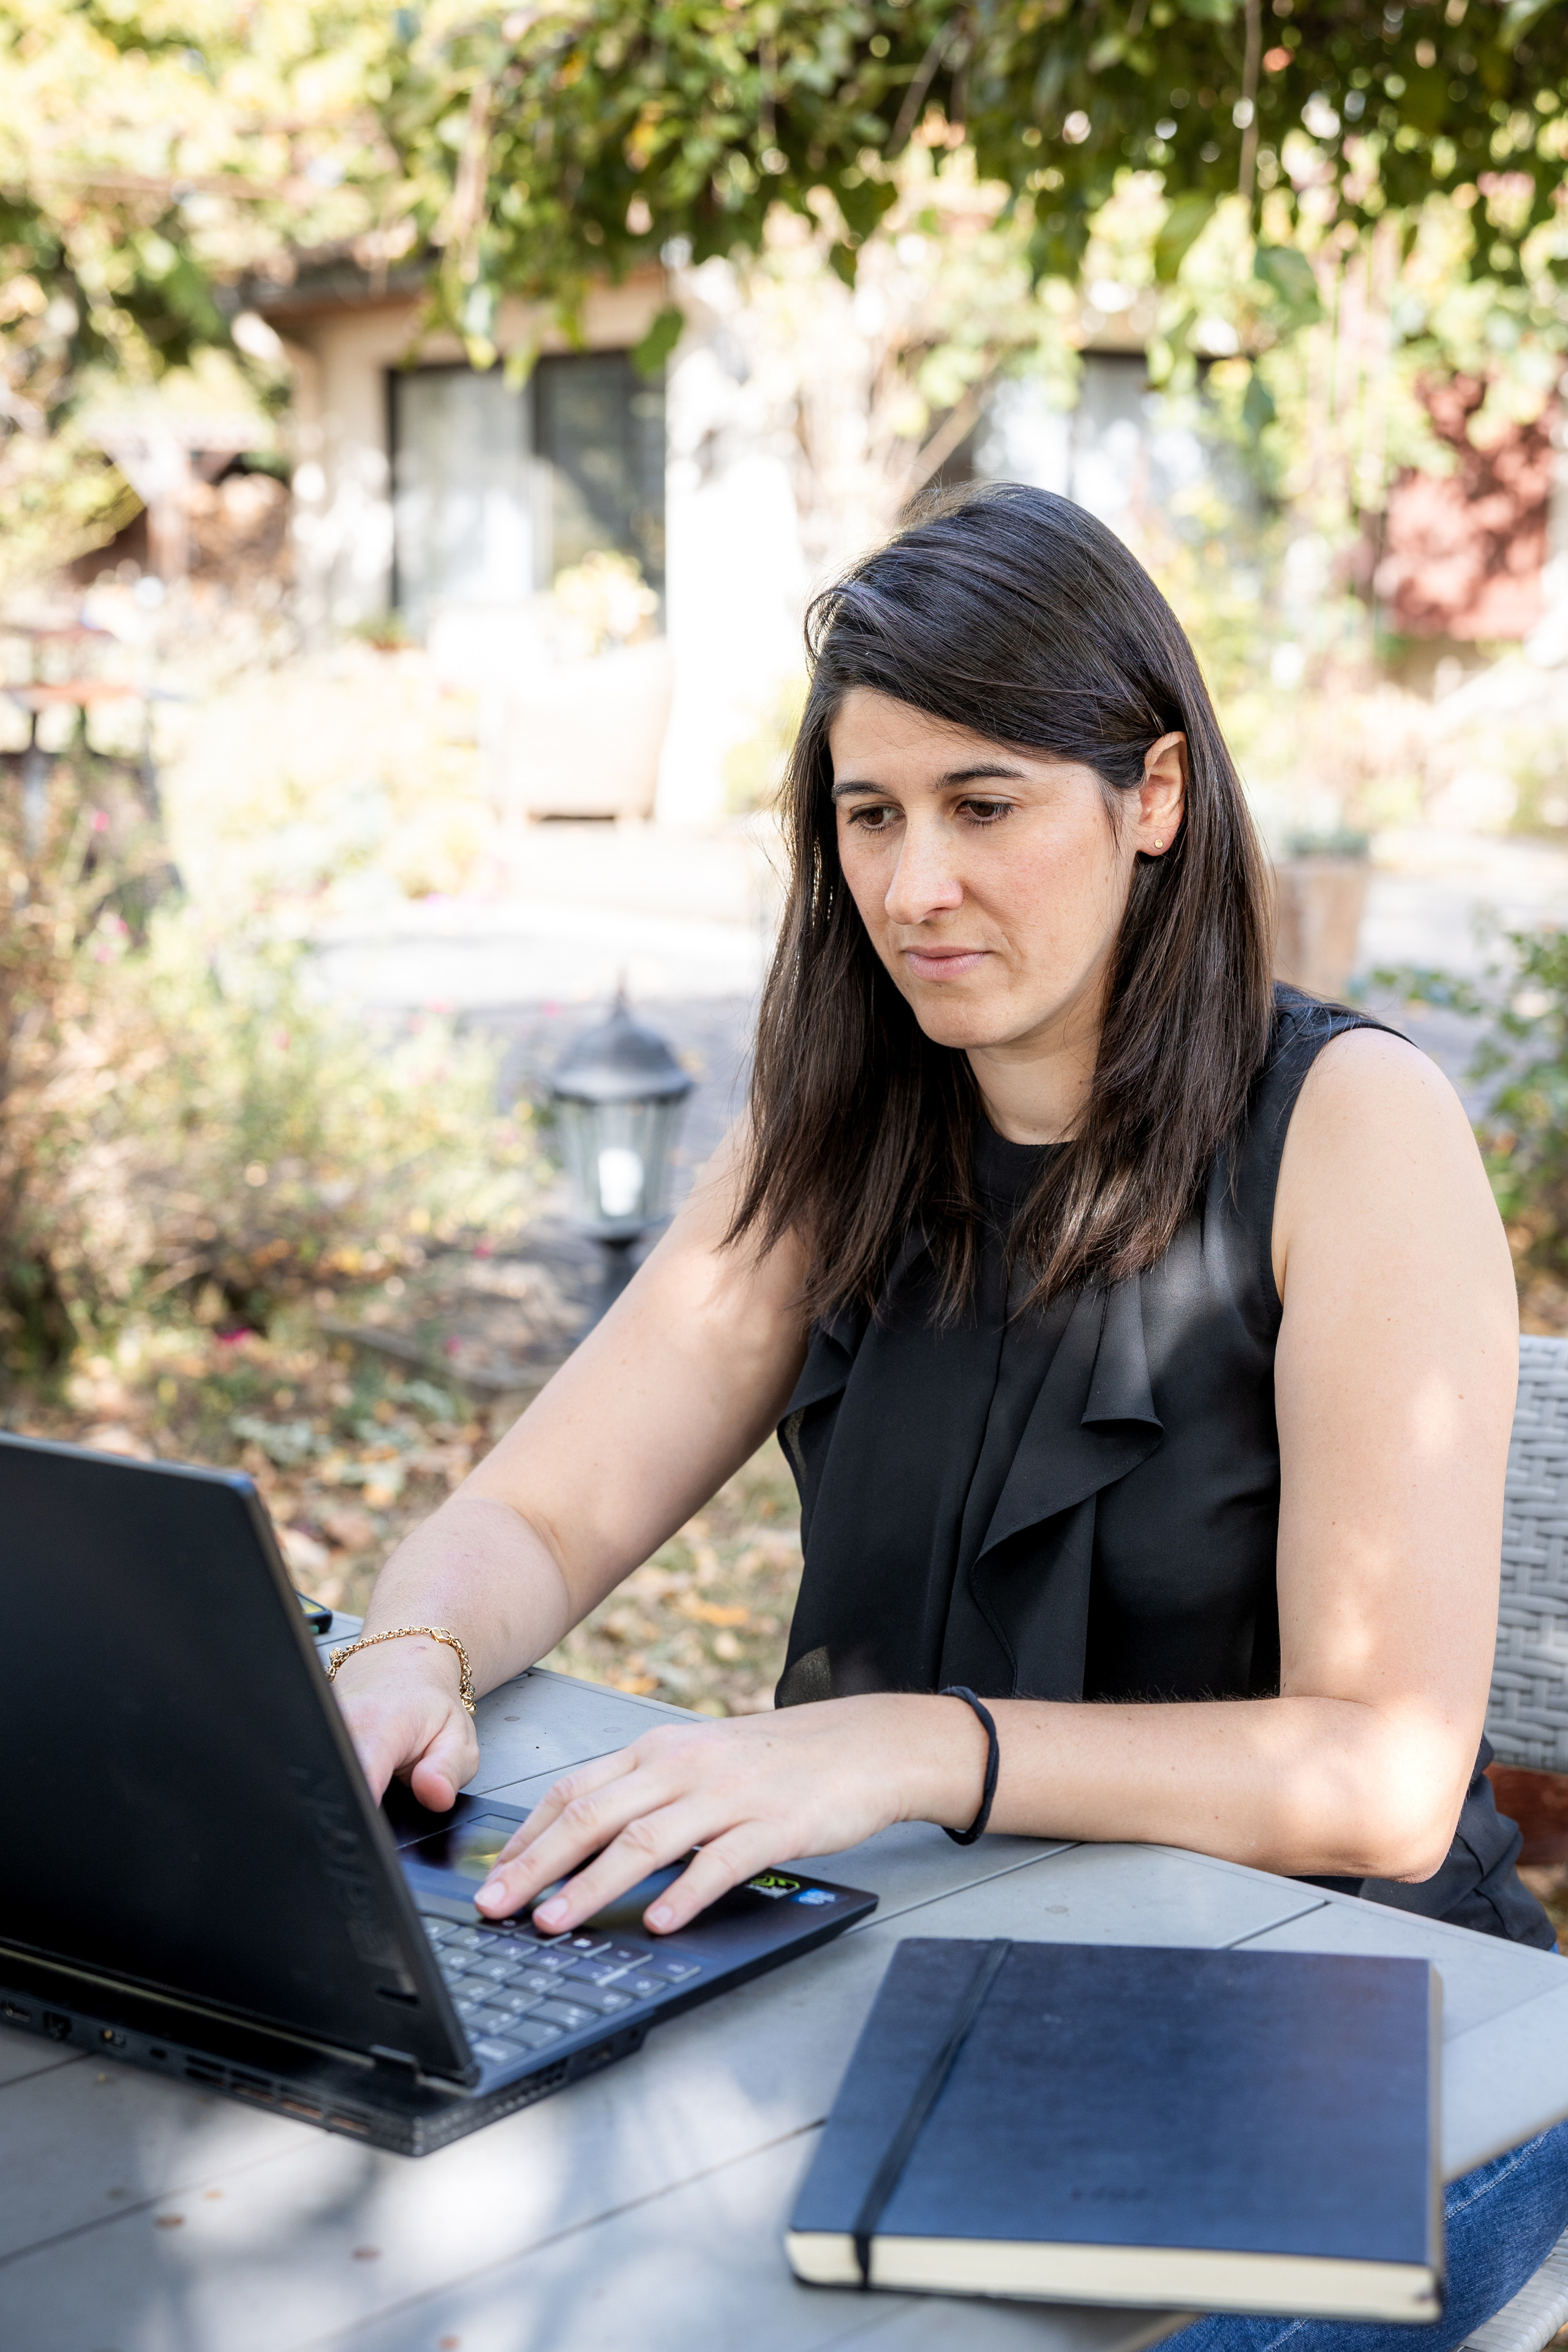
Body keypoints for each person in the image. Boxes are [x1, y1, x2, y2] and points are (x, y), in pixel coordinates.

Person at [331, 485, 1567, 2350]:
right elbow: (541, 1516)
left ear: (1154, 796)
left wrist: (908, 1750)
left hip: (1365, 2040)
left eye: (985, 806)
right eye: (871, 814)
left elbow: (1384, 1780)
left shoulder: (1351, 1125)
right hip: (927, 1981)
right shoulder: (839, 1125)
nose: (915, 888)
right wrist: (408, 1652)